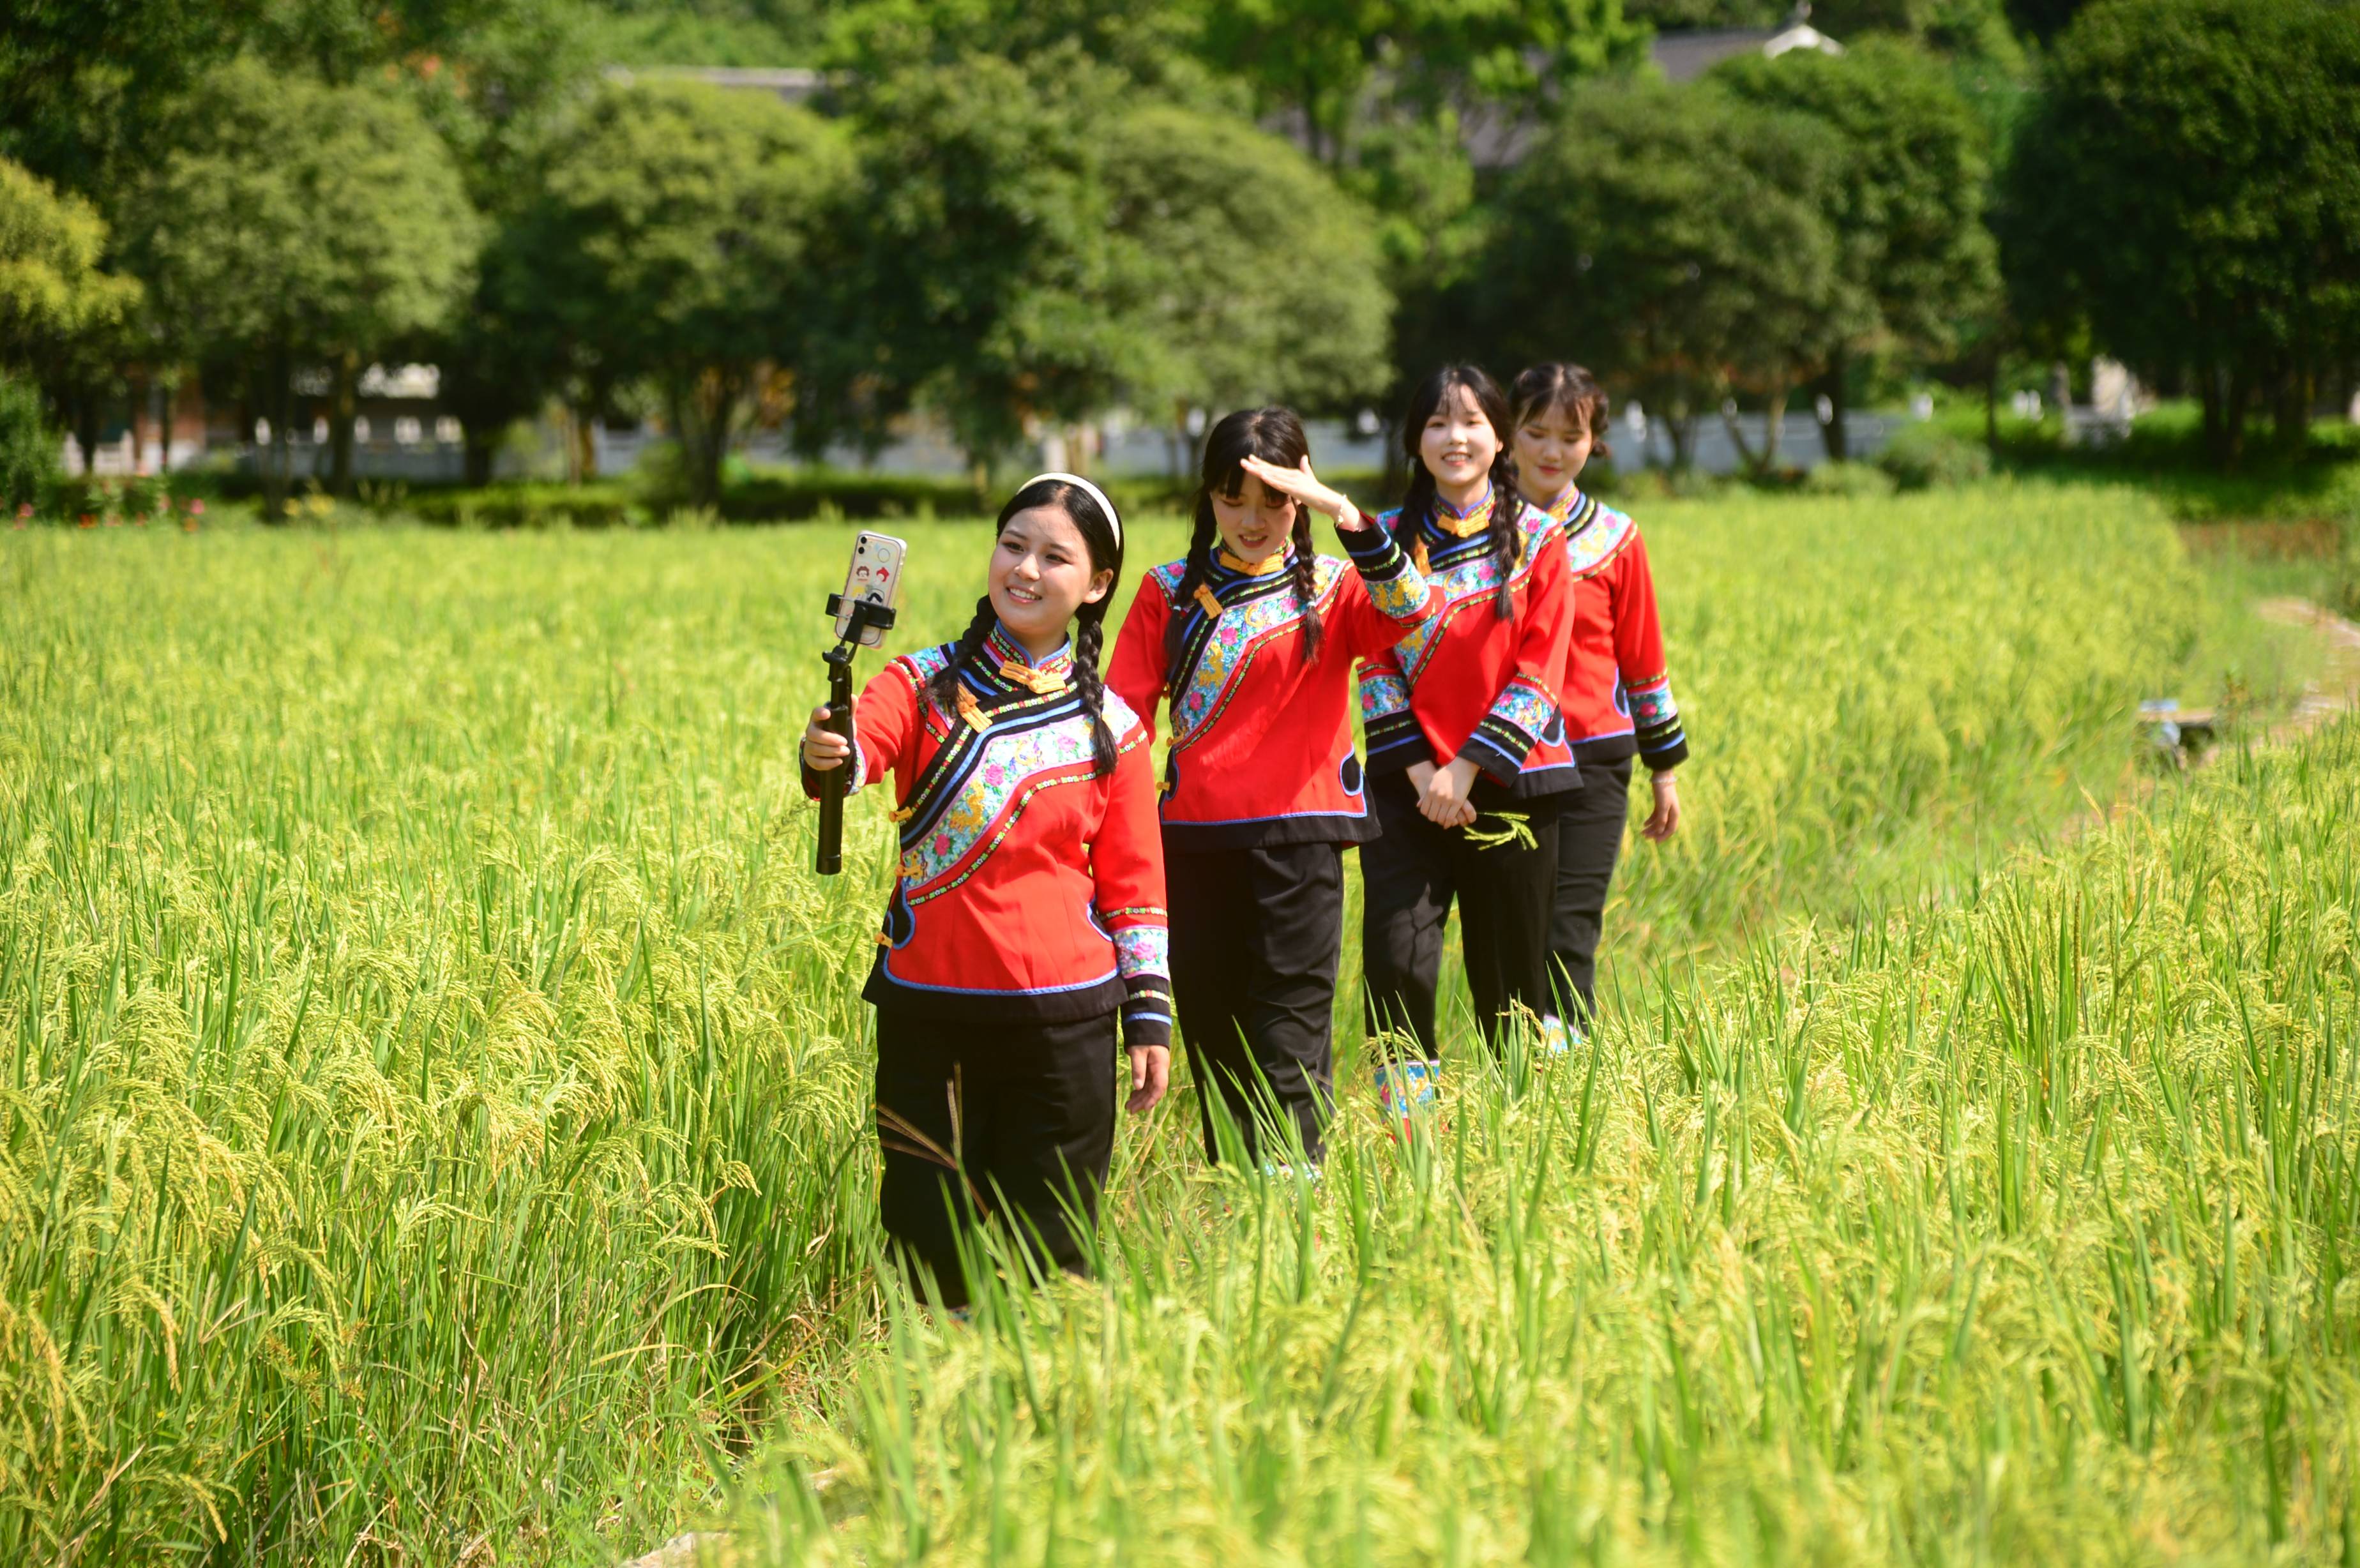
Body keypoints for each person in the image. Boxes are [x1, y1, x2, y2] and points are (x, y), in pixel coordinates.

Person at [800, 474, 1171, 1309]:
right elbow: (863, 745)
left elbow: (1136, 885)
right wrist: (830, 751)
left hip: (1067, 1021)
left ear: (1098, 585)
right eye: (1012, 546)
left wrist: (1148, 1012)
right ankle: (940, 1414)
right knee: (929, 1244)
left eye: (1053, 556)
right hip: (931, 1011)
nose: (1025, 570)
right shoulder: (920, 683)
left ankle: (1045, 1415)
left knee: (1054, 1251)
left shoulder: (1112, 725)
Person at [1107, 407, 1432, 1168]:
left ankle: (1292, 1207)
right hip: (1190, 843)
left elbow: (1413, 608)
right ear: (1207, 499)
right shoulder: (1167, 592)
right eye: (1232, 499)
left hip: (1303, 842)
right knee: (1216, 1041)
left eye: (1273, 501)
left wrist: (1343, 511)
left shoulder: (1337, 585)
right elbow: (1124, 725)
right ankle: (1239, 1206)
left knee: (1290, 1035)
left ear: (1299, 496)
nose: (1252, 519)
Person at [1357, 365, 1577, 1122]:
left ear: (1500, 437)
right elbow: (1375, 662)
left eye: (1473, 422)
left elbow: (1539, 674)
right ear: (1416, 440)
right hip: (1407, 787)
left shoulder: (1543, 540)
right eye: (1438, 424)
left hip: (1514, 782)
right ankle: (1411, 1139)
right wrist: (1426, 776)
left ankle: (1527, 1137)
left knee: (1511, 975)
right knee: (1395, 960)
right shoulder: (1384, 541)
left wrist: (1464, 770)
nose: (1456, 439)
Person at [1508, 364, 1688, 1039]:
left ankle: (1568, 1074)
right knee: (1512, 933)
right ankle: (1511, 1074)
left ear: (1594, 441)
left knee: (1571, 925)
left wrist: (1663, 769)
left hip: (1593, 758)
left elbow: (1643, 660)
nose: (1552, 451)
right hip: (1504, 759)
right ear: (1508, 435)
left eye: (1571, 435)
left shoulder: (1617, 537)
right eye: (1536, 432)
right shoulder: (1474, 532)